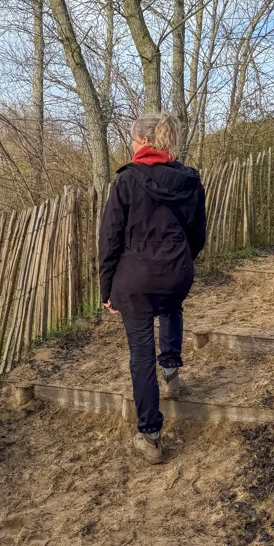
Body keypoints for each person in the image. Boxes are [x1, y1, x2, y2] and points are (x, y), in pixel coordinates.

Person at [98, 112, 206, 465]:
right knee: (172, 306)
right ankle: (173, 374)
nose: (130, 145)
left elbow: (110, 238)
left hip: (135, 280)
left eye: (132, 140)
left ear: (143, 142)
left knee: (140, 356)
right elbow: (198, 233)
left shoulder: (126, 181)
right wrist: (180, 261)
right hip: (176, 272)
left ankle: (151, 436)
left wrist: (106, 288)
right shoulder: (189, 181)